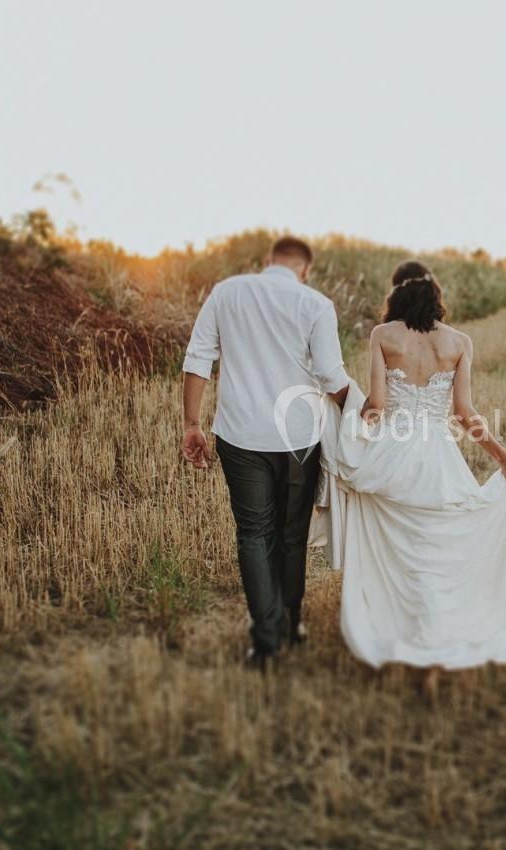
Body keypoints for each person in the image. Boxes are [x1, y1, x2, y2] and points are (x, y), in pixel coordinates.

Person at [313, 260, 506, 671]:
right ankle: (438, 636)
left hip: (391, 456)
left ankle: (409, 633)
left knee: (402, 552)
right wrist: (505, 458)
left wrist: (353, 422)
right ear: (435, 292)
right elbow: (465, 414)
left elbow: (377, 406)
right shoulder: (459, 342)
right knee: (437, 547)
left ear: (395, 292)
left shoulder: (384, 335)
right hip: (437, 456)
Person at [181, 236, 348, 671]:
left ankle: (267, 640)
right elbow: (331, 374)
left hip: (240, 436)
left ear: (267, 262)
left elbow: (199, 357)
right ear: (305, 268)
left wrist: (192, 424)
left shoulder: (228, 291)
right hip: (298, 439)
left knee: (254, 534)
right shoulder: (315, 303)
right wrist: (364, 415)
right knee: (292, 536)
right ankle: (290, 624)